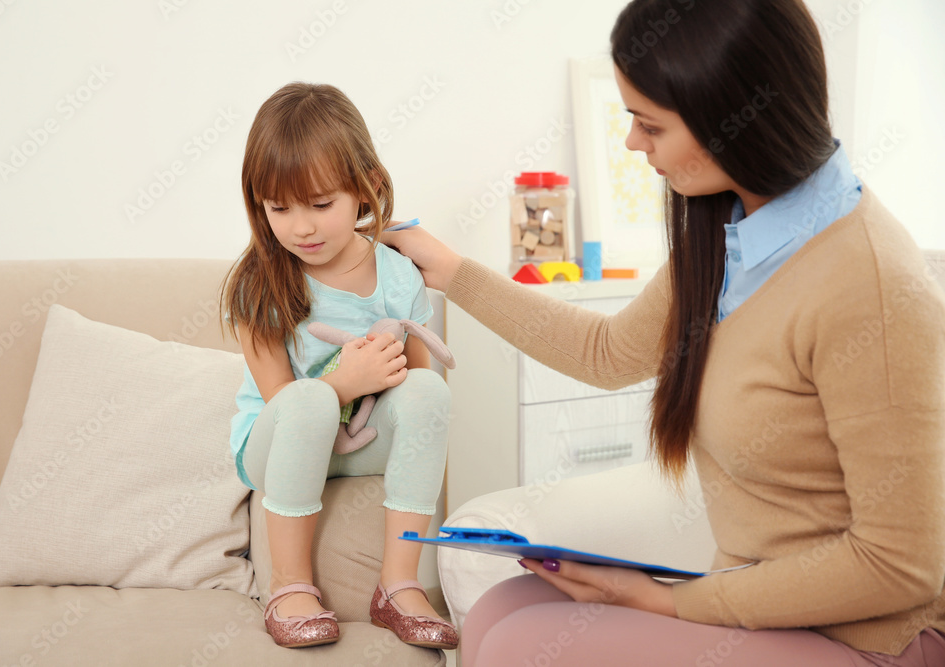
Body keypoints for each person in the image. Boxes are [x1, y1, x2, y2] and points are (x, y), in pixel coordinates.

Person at [384, 0, 945, 664]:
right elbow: (609, 352)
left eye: (649, 125)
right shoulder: (729, 231)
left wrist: (671, 600)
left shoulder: (870, 285)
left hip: (870, 638)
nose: (631, 144)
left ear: (733, 119)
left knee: (523, 646)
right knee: (502, 608)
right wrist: (453, 272)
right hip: (760, 604)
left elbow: (902, 563)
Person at [220, 82, 457, 650]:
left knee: (429, 392)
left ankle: (398, 585)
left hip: (360, 438)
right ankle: (290, 586)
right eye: (279, 208)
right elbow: (282, 399)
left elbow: (417, 381)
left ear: (365, 189)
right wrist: (342, 383)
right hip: (280, 445)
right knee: (305, 400)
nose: (301, 228)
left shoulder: (396, 274)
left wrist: (392, 377)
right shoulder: (259, 283)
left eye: (321, 205)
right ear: (259, 205)